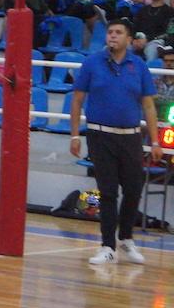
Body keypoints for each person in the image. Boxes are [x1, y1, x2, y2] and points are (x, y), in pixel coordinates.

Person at [70, 19, 164, 265]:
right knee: (108, 192)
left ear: (129, 39)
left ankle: (126, 239)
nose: (112, 36)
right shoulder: (92, 63)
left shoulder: (139, 66)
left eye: (118, 32)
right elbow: (77, 100)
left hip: (131, 137)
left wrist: (155, 141)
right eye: (110, 32)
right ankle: (107, 246)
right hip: (100, 135)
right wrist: (75, 135)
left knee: (133, 188)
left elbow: (148, 106)